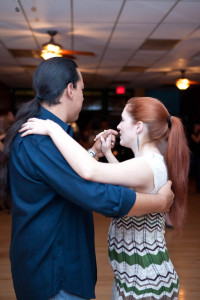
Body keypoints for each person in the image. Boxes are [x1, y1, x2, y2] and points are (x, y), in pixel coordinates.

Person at [1, 57, 173, 300]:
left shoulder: (47, 135)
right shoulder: (40, 139)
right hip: (54, 271)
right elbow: (97, 194)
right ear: (70, 90)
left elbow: (69, 177)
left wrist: (93, 152)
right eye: (82, 90)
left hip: (53, 262)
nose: (83, 97)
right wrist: (160, 203)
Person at [20, 96, 190, 300]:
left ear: (138, 127)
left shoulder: (146, 165)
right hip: (134, 275)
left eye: (123, 120)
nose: (118, 126)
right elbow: (124, 177)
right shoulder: (147, 162)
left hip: (145, 281)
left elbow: (90, 170)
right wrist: (107, 152)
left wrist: (53, 129)